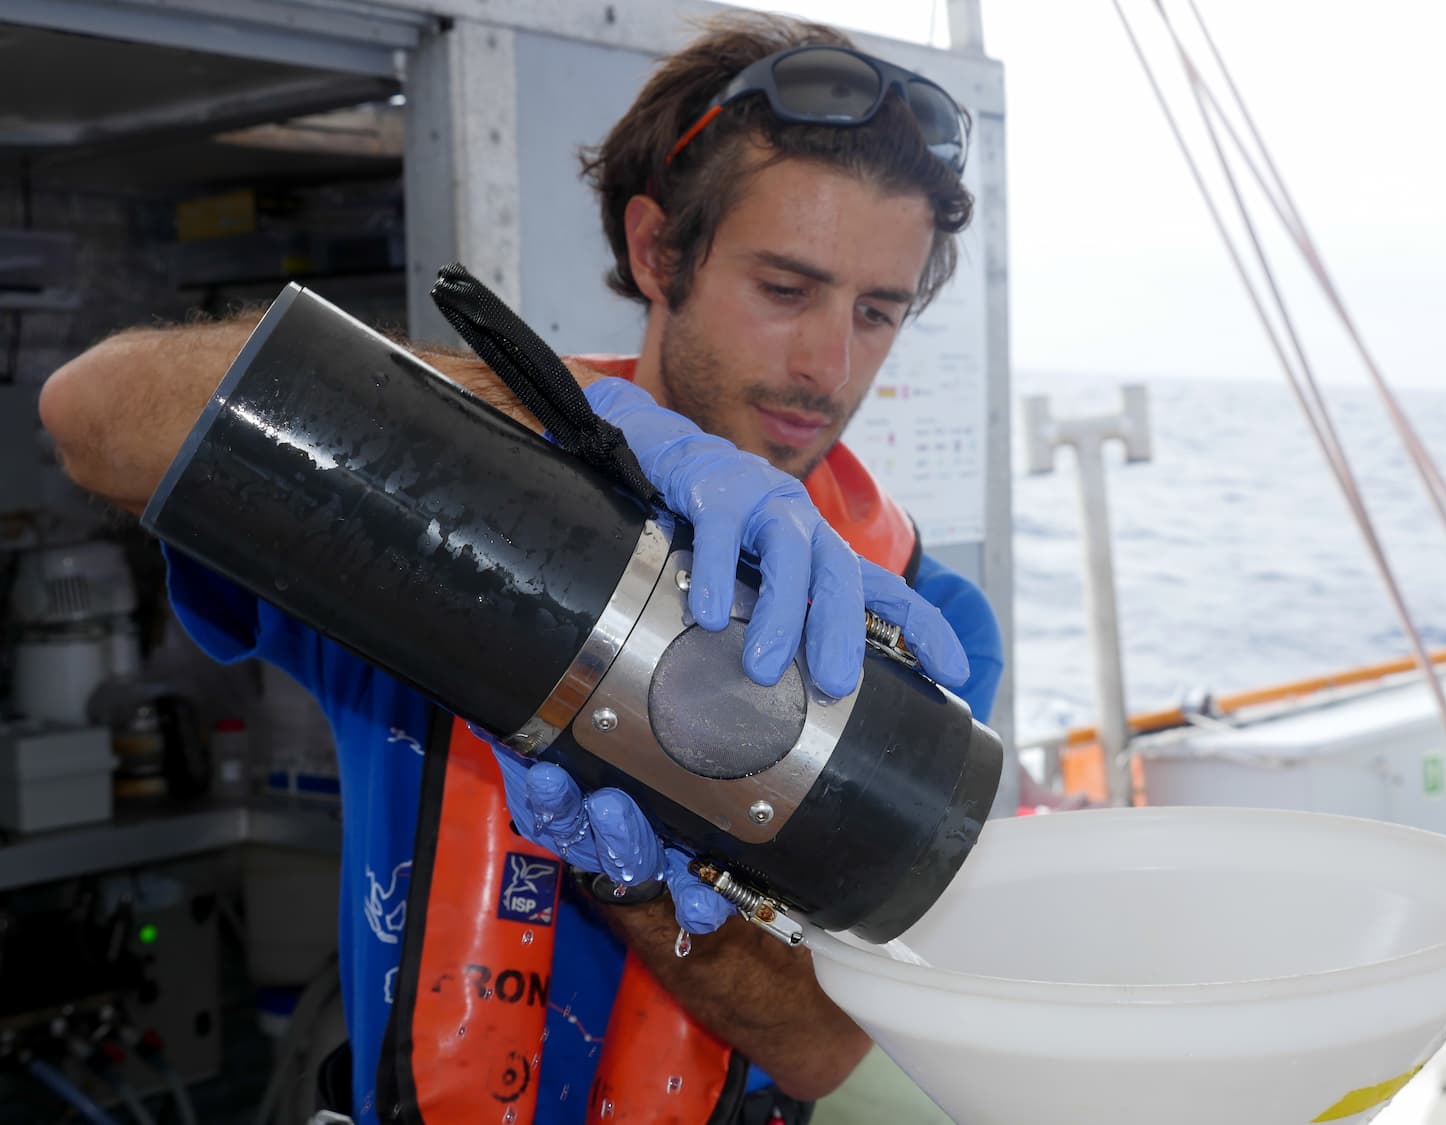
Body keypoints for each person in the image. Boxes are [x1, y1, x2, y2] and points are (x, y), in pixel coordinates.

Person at [38, 12, 1003, 1124]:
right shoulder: (427, 513)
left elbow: (843, 1042)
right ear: (657, 251)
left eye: (876, 312)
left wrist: (641, 886)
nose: (827, 366)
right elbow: (89, 415)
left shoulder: (918, 622)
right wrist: (550, 415)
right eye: (785, 290)